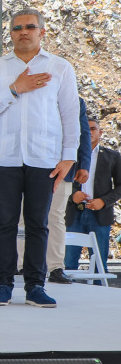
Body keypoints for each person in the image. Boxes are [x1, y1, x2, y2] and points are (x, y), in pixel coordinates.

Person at [0, 8, 79, 308]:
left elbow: (71, 115)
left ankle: (35, 286)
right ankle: (3, 284)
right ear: (10, 34)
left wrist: (69, 157)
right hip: (5, 158)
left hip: (44, 158)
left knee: (38, 224)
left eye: (29, 27)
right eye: (17, 28)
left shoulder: (60, 67)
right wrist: (15, 89)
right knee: (4, 224)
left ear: (42, 31)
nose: (23, 32)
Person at [64, 117, 120, 284]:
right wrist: (72, 194)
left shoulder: (113, 156)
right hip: (73, 214)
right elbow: (58, 181)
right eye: (85, 129)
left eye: (93, 129)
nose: (89, 132)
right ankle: (68, 295)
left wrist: (104, 201)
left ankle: (99, 295)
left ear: (100, 132)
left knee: (99, 264)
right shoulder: (70, 156)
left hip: (100, 215)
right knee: (68, 263)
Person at [47, 97, 92, 284]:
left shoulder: (75, 100)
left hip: (63, 168)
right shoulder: (32, 92)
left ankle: (55, 267)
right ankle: (21, 266)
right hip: (29, 166)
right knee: (25, 216)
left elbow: (84, 134)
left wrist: (84, 165)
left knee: (56, 217)